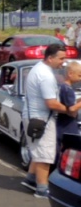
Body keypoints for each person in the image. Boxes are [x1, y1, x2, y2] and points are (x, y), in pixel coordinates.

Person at [23, 43, 73, 198]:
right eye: (61, 58)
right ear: (50, 58)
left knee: (38, 151)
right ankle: (42, 190)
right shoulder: (46, 76)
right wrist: (70, 110)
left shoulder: (38, 68)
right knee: (45, 156)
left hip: (34, 117)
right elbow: (51, 103)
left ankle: (31, 179)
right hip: (42, 119)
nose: (63, 62)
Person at [55, 61, 81, 158]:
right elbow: (71, 109)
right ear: (70, 74)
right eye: (79, 75)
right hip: (67, 125)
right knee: (71, 151)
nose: (80, 79)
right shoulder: (68, 89)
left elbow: (70, 103)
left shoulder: (63, 87)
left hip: (62, 125)